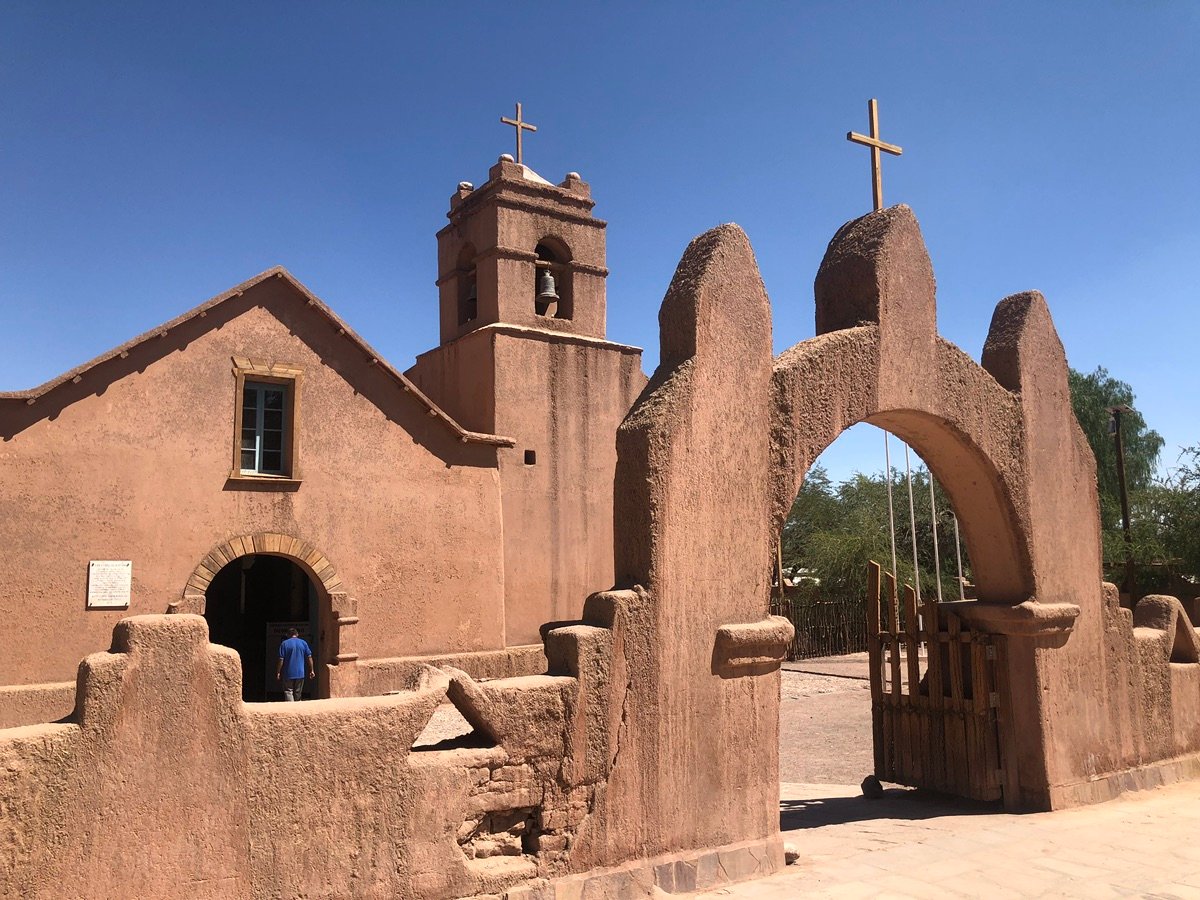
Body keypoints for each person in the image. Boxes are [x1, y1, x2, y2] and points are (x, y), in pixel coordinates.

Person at [276, 628, 315, 701]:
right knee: (298, 693)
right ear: (297, 634)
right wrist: (312, 670)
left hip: (288, 673)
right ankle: (297, 709)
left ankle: (291, 709)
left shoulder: (284, 644)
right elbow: (309, 657)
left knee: (288, 691)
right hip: (300, 673)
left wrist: (278, 671)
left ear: (288, 635)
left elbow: (281, 659)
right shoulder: (303, 643)